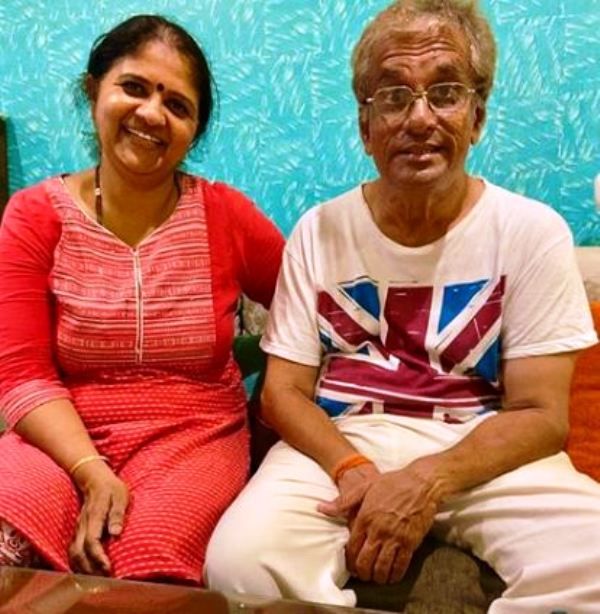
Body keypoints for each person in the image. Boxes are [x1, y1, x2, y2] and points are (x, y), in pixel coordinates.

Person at [205, 0, 600, 611]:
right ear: (365, 128)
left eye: (444, 91)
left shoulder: (531, 231)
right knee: (239, 563)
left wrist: (426, 480)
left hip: (481, 445)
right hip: (346, 441)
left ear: (477, 115)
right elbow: (282, 392)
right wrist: (352, 468)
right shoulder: (320, 230)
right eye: (392, 96)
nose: (419, 118)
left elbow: (544, 414)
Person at [0, 14, 284, 584]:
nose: (152, 113)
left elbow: (312, 308)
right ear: (93, 91)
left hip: (194, 436)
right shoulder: (35, 215)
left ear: (193, 130)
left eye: (177, 105)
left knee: (145, 568)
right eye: (134, 87)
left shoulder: (226, 216)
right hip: (59, 434)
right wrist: (89, 470)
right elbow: (20, 374)